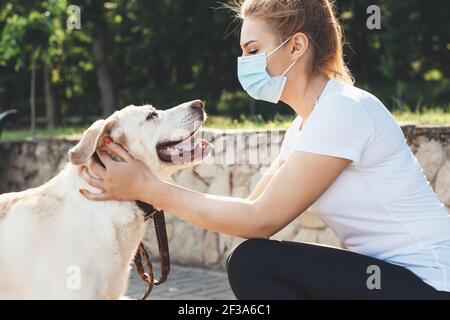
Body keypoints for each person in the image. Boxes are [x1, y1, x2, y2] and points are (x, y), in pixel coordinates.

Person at [80, 0, 450, 299]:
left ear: (297, 46)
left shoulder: (344, 109)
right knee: (251, 258)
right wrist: (153, 186)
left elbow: (260, 219)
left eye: (254, 50)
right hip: (391, 282)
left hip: (430, 284)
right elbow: (248, 217)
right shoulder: (305, 124)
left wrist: (149, 188)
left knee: (253, 264)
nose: (245, 63)